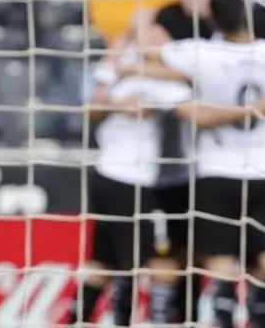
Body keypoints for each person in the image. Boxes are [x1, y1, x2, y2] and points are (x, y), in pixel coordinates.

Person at [146, 0, 265, 328]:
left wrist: (178, 77)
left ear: (213, 21)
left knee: (220, 264)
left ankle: (224, 314)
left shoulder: (200, 54)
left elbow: (148, 53)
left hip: (216, 172)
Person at [69, 24, 194, 326]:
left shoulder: (170, 76)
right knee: (151, 262)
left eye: (161, 32)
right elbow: (91, 111)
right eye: (149, 33)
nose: (160, 38)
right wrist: (117, 102)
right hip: (129, 179)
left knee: (106, 262)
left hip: (159, 179)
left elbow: (190, 91)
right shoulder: (119, 74)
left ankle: (79, 320)